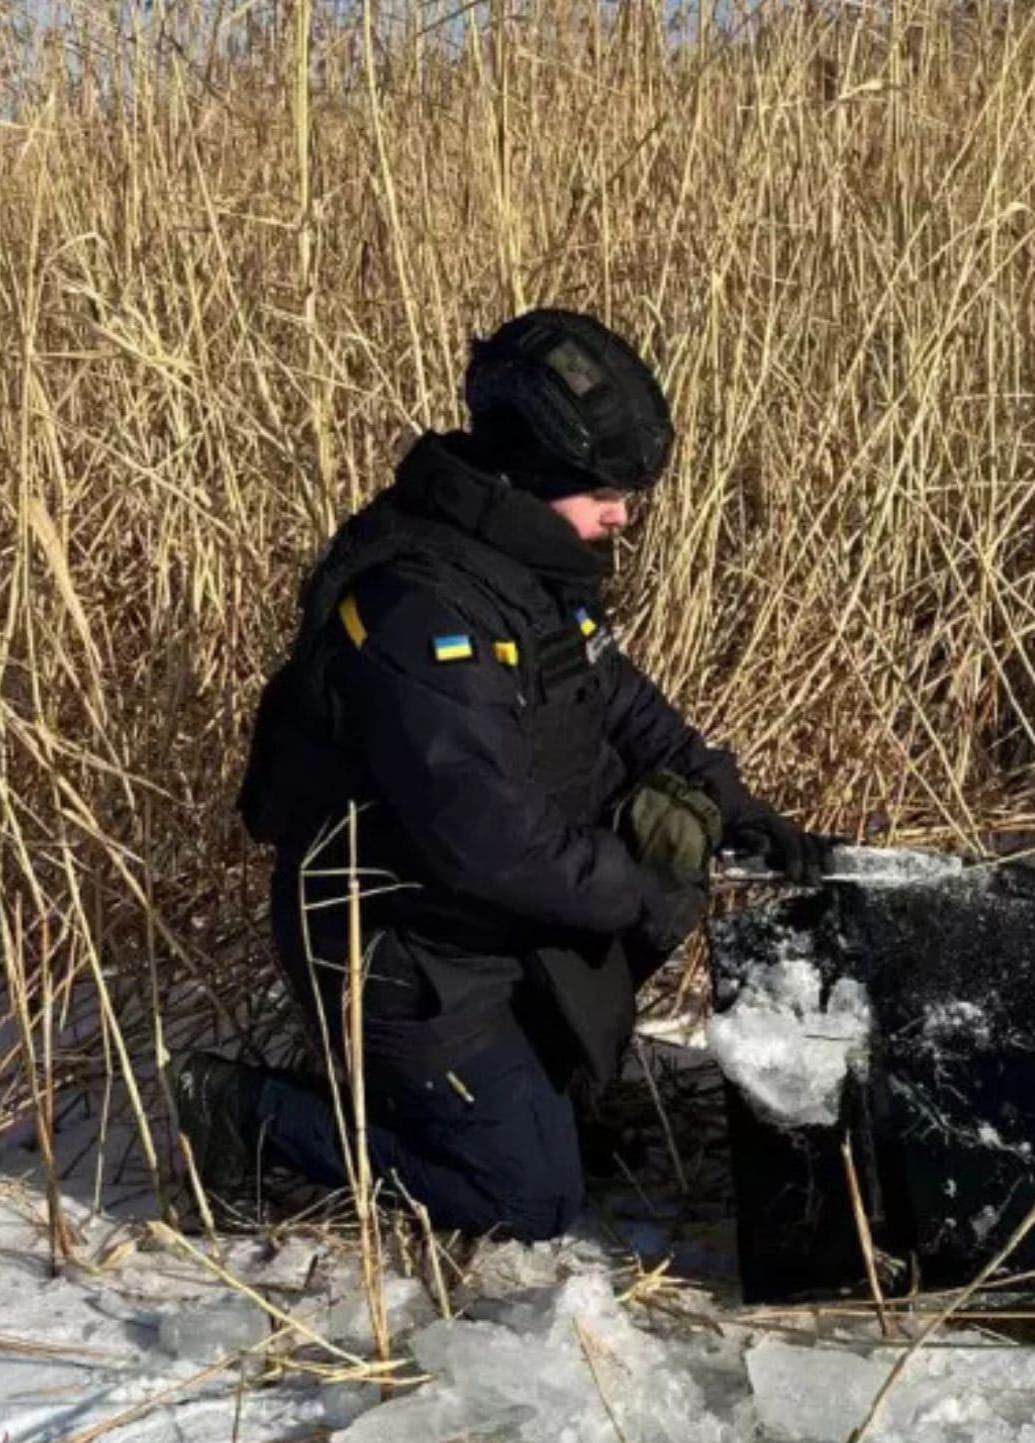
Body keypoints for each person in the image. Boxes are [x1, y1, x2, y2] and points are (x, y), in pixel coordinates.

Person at [174, 308, 835, 1241]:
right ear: (528, 478)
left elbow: (623, 706)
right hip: (396, 947)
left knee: (620, 929)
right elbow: (489, 839)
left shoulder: (523, 572)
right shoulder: (418, 608)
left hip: (481, 930)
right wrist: (642, 886)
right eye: (603, 493)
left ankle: (505, 1095)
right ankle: (251, 1113)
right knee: (529, 1200)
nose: (623, 515)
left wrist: (742, 814)